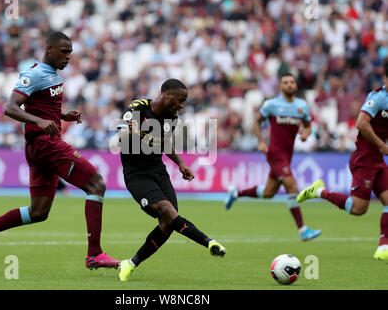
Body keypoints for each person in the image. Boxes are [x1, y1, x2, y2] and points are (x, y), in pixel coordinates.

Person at [0, 32, 120, 269]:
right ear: (49, 49)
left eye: (70, 53)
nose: (68, 57)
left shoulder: (53, 75)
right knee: (96, 184)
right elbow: (10, 107)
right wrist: (39, 121)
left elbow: (42, 106)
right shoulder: (34, 74)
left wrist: (60, 115)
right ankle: (94, 253)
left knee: (38, 212)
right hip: (46, 145)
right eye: (64, 52)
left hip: (40, 146)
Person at [116, 78, 226, 281]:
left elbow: (164, 143)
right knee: (167, 211)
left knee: (168, 224)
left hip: (158, 171)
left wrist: (180, 163)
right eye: (180, 99)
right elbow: (121, 139)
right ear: (167, 95)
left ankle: (130, 263)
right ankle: (209, 243)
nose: (182, 105)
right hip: (137, 175)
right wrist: (131, 134)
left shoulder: (171, 118)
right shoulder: (138, 107)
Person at [297, 62, 388, 260]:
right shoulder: (378, 97)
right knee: (358, 209)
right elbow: (361, 123)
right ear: (385, 79)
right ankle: (319, 191)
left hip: (379, 160)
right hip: (364, 159)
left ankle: (384, 247)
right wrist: (381, 144)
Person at [224, 73, 322, 241]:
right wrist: (261, 141)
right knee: (292, 187)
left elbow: (308, 126)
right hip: (275, 153)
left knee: (269, 192)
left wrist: (305, 134)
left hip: (288, 154)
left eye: (292, 82)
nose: (289, 85)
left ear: (296, 86)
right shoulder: (272, 105)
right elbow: (256, 122)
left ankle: (236, 193)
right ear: (280, 87)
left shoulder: (302, 106)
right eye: (286, 82)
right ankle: (302, 230)